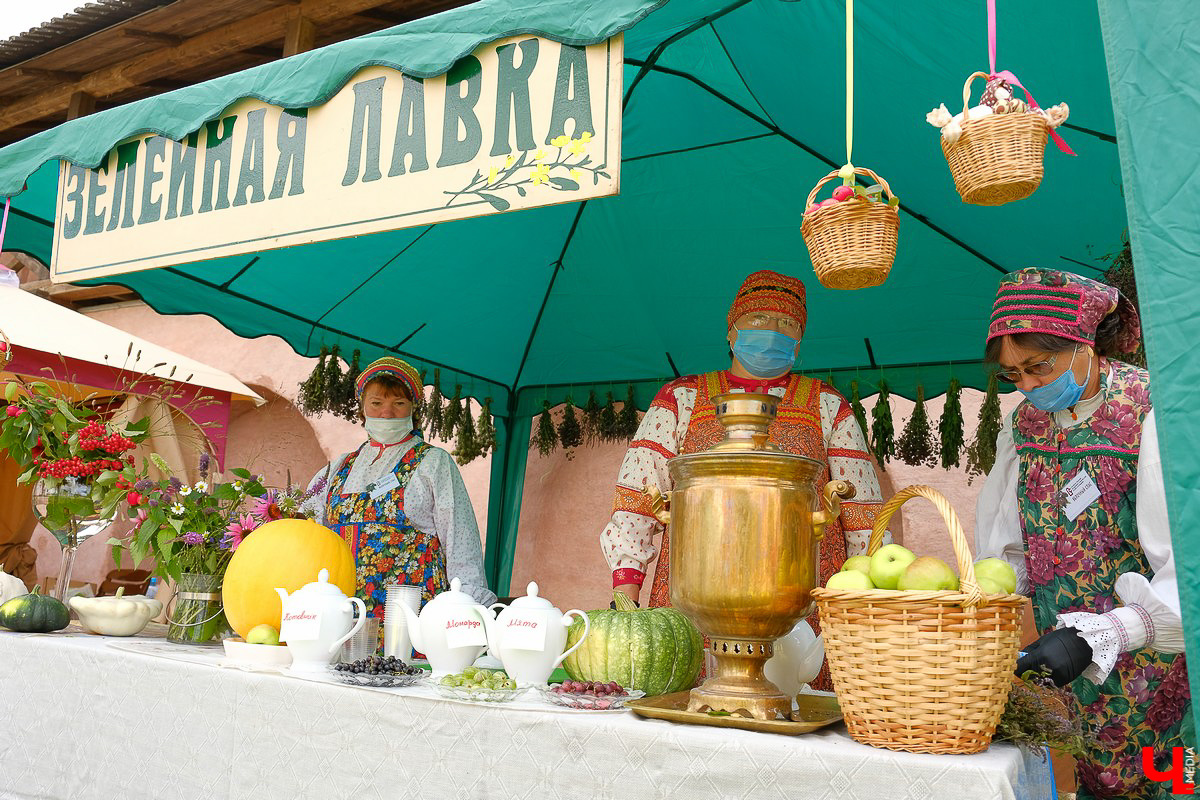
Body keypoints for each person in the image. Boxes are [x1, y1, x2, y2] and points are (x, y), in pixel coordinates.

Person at [599, 269, 888, 689]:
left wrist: (866, 614)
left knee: (795, 712)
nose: (773, 332)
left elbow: (863, 515)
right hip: (692, 604)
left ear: (800, 339)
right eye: (758, 321)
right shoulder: (682, 398)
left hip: (802, 616)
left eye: (787, 324)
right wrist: (626, 602)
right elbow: (636, 499)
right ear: (731, 333)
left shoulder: (827, 404)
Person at [975, 268, 1187, 799]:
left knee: (1171, 781)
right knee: (1100, 782)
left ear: (1082, 344)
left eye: (1036, 367)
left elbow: (1187, 564)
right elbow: (1006, 549)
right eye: (1012, 375)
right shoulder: (1023, 427)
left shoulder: (1147, 410)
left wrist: (1112, 631)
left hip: (1159, 666)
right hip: (1072, 675)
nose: (1025, 385)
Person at [304, 357, 496, 631]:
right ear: (362, 407)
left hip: (408, 618)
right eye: (377, 403)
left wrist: (466, 613)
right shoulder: (337, 468)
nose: (386, 413)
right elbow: (308, 534)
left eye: (398, 403)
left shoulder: (433, 462)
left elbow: (460, 538)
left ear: (413, 407)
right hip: (342, 618)